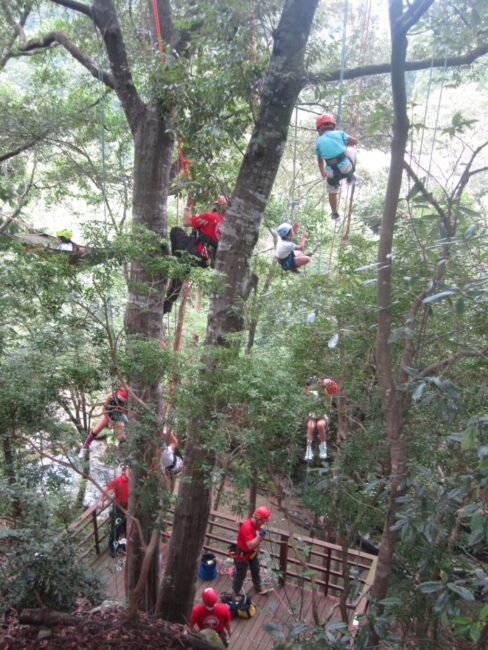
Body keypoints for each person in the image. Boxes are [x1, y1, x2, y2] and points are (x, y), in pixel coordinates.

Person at [163, 196, 228, 314]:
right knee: (183, 269)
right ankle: (169, 302)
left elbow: (186, 222)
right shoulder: (227, 224)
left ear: (215, 206)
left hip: (195, 252)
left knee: (175, 231)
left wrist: (187, 208)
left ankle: (176, 260)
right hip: (205, 259)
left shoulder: (209, 217)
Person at [315, 113, 357, 221]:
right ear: (333, 126)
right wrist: (344, 143)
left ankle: (334, 213)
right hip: (345, 167)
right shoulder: (339, 133)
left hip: (331, 172)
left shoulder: (319, 141)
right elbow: (354, 141)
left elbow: (319, 160)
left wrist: (322, 173)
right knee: (351, 149)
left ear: (319, 129)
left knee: (332, 192)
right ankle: (350, 177)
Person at [78, 387, 129, 459]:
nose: (120, 401)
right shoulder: (111, 397)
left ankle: (120, 455)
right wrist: (110, 421)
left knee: (123, 437)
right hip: (107, 413)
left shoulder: (124, 399)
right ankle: (84, 448)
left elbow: (122, 410)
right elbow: (104, 409)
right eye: (119, 400)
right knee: (96, 430)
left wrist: (123, 410)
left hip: (117, 414)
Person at [232, 506, 270, 597]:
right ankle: (236, 592)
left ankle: (257, 585)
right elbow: (250, 545)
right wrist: (260, 537)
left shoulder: (257, 525)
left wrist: (260, 538)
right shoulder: (247, 527)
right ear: (259, 519)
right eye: (263, 521)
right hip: (242, 555)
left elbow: (256, 541)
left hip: (252, 553)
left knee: (256, 569)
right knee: (241, 575)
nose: (264, 523)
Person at [96, 465, 129, 558]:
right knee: (116, 530)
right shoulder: (118, 480)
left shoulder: (133, 482)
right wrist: (101, 500)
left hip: (129, 509)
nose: (130, 472)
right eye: (128, 470)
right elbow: (107, 489)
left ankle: (126, 546)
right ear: (123, 471)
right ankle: (112, 549)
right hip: (118, 508)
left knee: (128, 530)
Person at [304, 377, 330, 461]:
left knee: (320, 425)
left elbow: (328, 401)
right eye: (310, 385)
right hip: (312, 415)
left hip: (322, 415)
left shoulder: (323, 392)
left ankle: (323, 447)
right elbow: (305, 401)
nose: (312, 386)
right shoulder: (309, 393)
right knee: (310, 426)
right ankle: (308, 450)